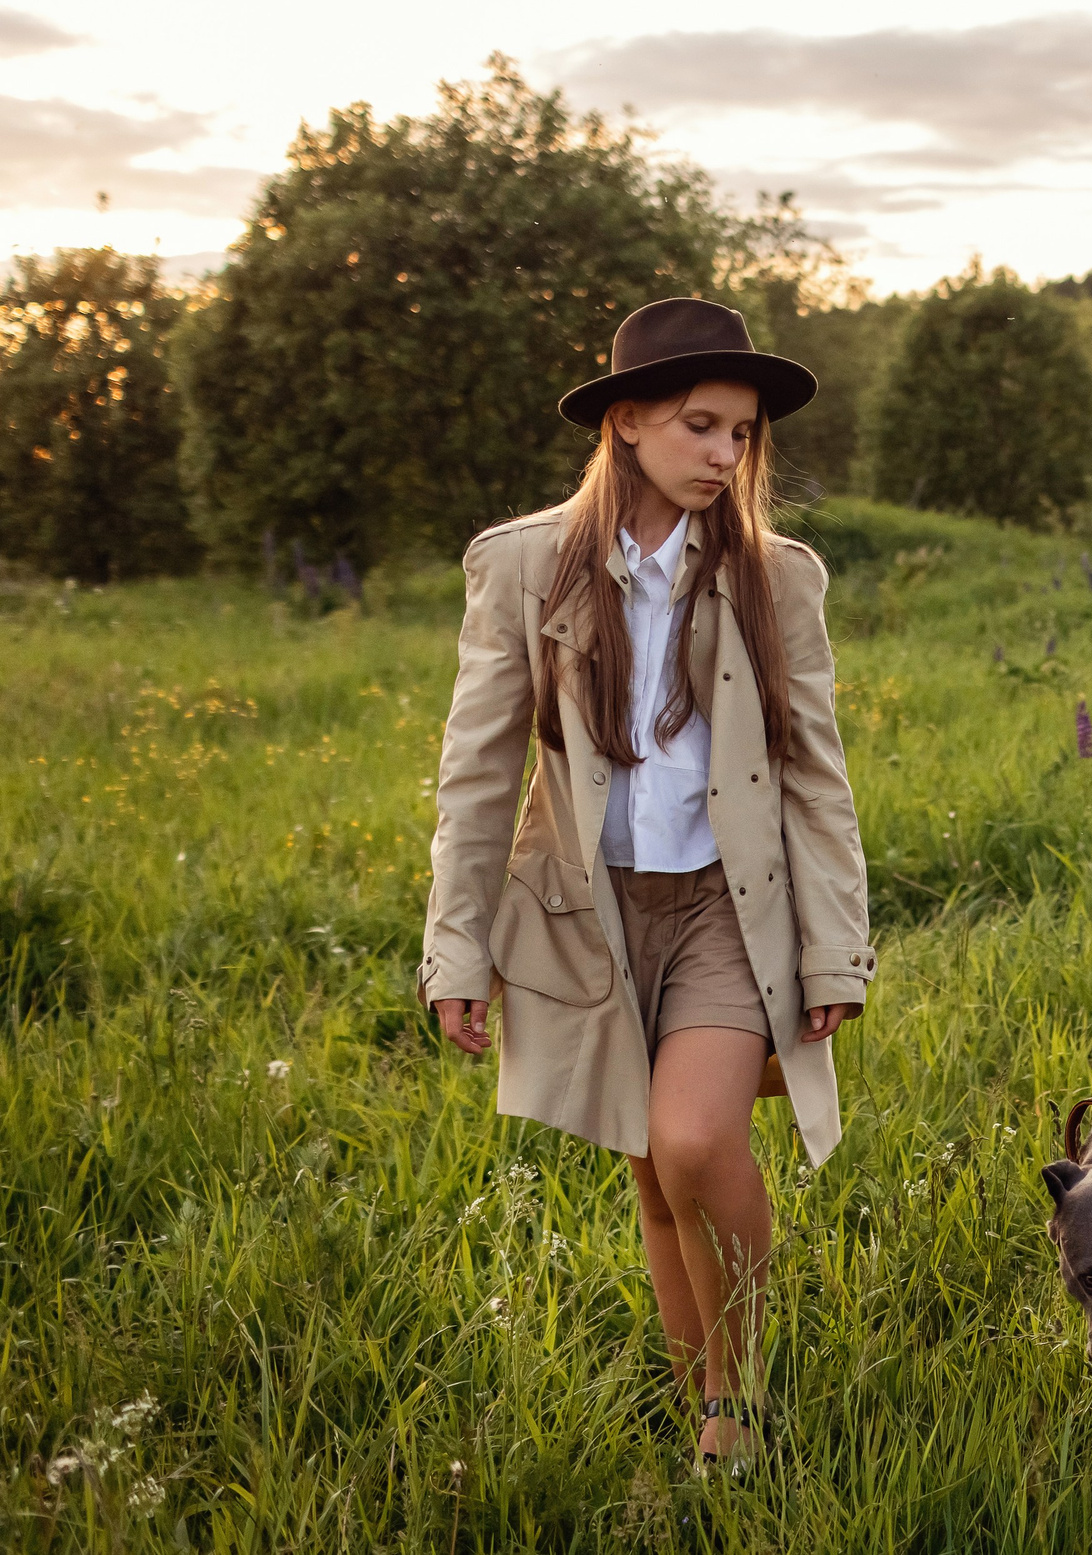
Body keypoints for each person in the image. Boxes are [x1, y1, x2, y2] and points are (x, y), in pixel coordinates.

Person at [417, 297, 876, 1458]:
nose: (727, 455)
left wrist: (834, 947)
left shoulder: (780, 578)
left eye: (742, 435)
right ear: (626, 422)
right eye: (702, 427)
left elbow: (816, 778)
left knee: (693, 1138)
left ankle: (738, 1397)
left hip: (731, 904)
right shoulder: (524, 567)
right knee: (649, 1164)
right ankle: (697, 1397)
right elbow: (476, 775)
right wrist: (456, 948)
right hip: (590, 914)